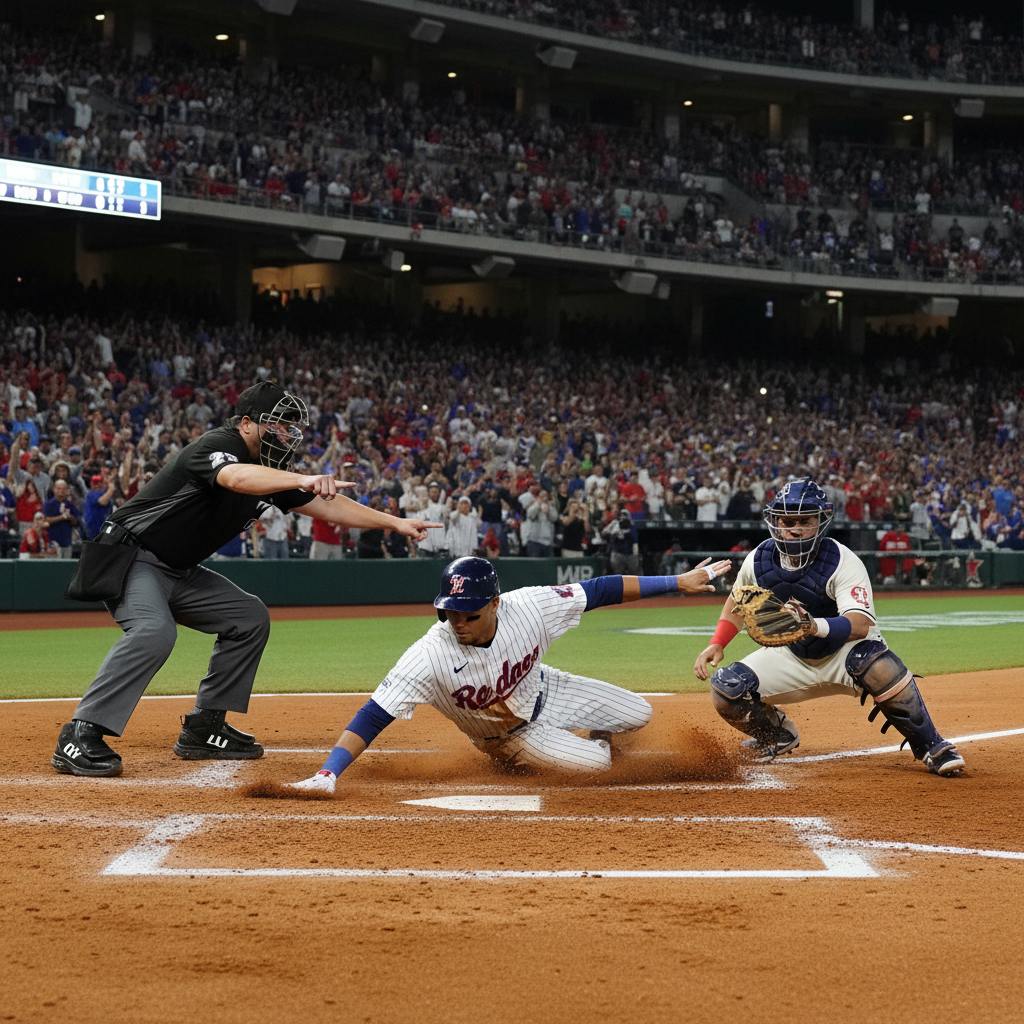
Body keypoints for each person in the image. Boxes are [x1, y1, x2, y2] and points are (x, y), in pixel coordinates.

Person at [51, 381, 440, 778]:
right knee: (154, 631)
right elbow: (236, 478)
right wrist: (300, 478)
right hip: (133, 558)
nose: (286, 433)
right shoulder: (218, 445)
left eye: (291, 426)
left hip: (178, 570)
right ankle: (80, 733)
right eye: (279, 424)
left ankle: (204, 728)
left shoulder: (271, 473)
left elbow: (329, 506)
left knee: (248, 617)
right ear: (249, 424)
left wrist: (396, 522)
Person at [291, 553, 733, 792]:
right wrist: (328, 773)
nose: (457, 622)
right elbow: (373, 714)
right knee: (599, 766)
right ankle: (531, 760)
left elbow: (601, 590)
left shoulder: (530, 606)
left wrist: (677, 582)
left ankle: (570, 744)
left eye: (467, 613)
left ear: (495, 604)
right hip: (509, 735)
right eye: (449, 613)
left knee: (640, 713)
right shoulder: (429, 655)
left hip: (546, 688)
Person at [693, 478, 964, 777]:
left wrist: (812, 626)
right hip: (793, 655)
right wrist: (717, 642)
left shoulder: (842, 560)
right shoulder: (758, 560)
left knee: (878, 665)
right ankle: (778, 736)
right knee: (726, 688)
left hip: (846, 653)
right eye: (786, 520)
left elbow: (860, 625)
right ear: (774, 521)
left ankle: (931, 745)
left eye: (804, 520)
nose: (794, 528)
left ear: (821, 521)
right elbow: (737, 603)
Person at [41, 478, 80, 557]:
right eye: (59, 489)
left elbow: (76, 521)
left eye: (64, 489)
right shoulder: (49, 504)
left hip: (66, 540)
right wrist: (61, 517)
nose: (61, 491)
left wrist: (70, 517)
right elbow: (45, 520)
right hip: (52, 541)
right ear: (54, 489)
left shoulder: (70, 505)